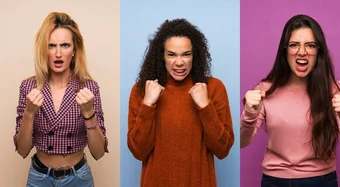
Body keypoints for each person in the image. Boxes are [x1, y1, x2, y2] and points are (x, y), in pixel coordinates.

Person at [240, 14, 340, 187]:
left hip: (322, 181)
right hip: (275, 181)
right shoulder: (265, 89)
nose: (302, 51)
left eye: (310, 45)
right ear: (285, 50)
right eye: (294, 45)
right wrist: (250, 114)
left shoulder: (332, 89)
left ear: (318, 51)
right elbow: (243, 142)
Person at [127, 18, 235, 187]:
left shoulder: (213, 88)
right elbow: (138, 151)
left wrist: (205, 106)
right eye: (171, 54)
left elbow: (223, 150)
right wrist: (148, 104)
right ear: (161, 56)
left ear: (195, 55)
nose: (179, 62)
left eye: (186, 54)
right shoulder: (143, 90)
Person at [14, 12, 108, 187]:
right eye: (51, 46)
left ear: (74, 50)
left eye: (65, 45)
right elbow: (22, 150)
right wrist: (29, 113)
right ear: (44, 50)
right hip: (39, 178)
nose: (58, 53)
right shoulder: (29, 87)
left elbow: (98, 152)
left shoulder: (89, 88)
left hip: (78, 178)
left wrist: (89, 113)